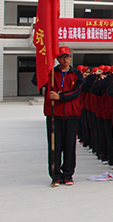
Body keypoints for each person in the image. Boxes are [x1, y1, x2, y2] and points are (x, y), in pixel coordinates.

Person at [32, 46, 83, 187]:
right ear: (57, 59)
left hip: (71, 115)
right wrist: (42, 64)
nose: (65, 59)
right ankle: (55, 175)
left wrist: (60, 96)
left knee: (69, 146)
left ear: (70, 58)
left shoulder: (77, 74)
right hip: (54, 115)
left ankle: (68, 175)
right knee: (55, 146)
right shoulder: (50, 73)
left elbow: (76, 92)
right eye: (62, 57)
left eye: (67, 56)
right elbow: (36, 82)